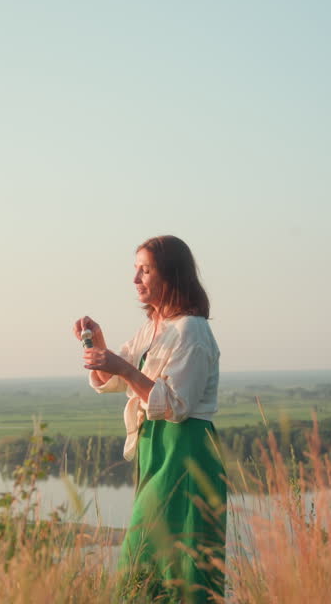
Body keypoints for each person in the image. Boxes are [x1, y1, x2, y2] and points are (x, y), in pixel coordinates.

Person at [75, 235, 226, 603]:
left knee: (165, 555)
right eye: (136, 270)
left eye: (146, 270)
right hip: (156, 447)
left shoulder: (192, 329)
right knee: (151, 555)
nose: (136, 279)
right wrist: (96, 346)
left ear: (171, 275)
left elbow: (176, 406)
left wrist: (123, 366)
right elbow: (111, 380)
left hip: (185, 449)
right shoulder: (155, 328)